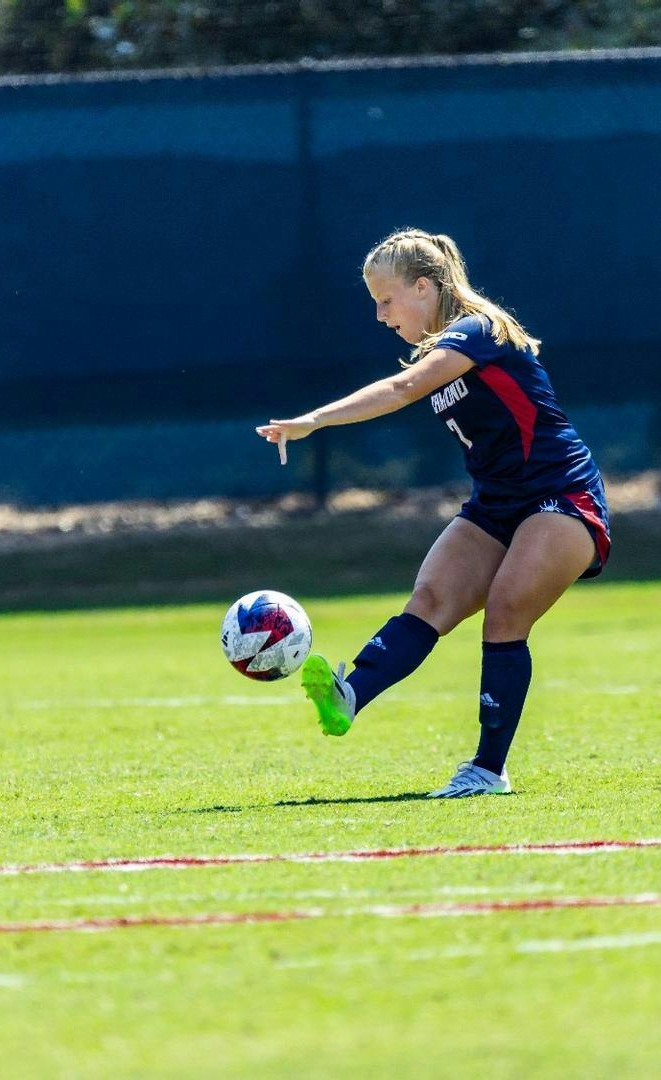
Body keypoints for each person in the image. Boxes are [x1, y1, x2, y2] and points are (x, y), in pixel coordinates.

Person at [257, 229, 611, 798]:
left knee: (505, 609)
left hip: (560, 495)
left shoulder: (476, 330)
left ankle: (487, 770)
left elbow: (403, 389)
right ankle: (351, 693)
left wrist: (313, 420)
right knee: (428, 602)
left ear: (424, 287)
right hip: (496, 503)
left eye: (386, 299)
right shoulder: (444, 347)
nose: (379, 315)